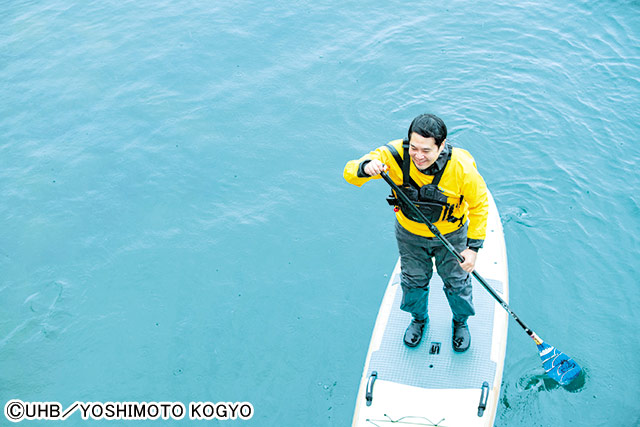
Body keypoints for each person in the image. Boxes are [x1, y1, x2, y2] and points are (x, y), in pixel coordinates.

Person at [343, 113, 489, 352]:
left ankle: (460, 322)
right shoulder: (394, 155)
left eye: (426, 150)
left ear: (441, 146)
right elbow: (349, 172)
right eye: (414, 148)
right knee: (413, 281)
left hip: (451, 237)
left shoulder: (462, 168)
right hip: (410, 236)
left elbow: (480, 205)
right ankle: (419, 319)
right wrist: (366, 167)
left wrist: (472, 248)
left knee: (457, 282)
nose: (418, 156)